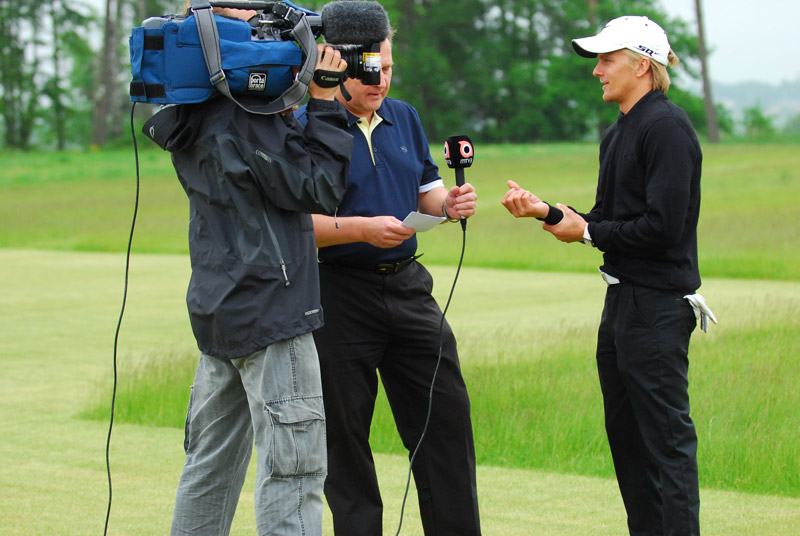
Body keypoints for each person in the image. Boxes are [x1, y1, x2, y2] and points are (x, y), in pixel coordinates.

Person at [142, 5, 354, 535]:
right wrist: (324, 103)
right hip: (273, 312)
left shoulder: (191, 112)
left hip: (220, 312)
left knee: (208, 470)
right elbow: (319, 188)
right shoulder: (243, 116)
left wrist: (290, 108)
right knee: (294, 471)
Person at [501, 16, 706, 536]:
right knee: (629, 444)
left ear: (642, 65)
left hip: (657, 307)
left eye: (607, 60)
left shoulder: (666, 127)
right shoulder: (620, 130)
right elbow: (607, 216)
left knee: (665, 445)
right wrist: (548, 213)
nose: (597, 70)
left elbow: (662, 227)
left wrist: (588, 235)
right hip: (622, 307)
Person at [296, 4, 481, 534]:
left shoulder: (404, 117)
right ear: (337, 65)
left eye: (389, 69)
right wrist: (361, 228)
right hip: (337, 293)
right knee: (345, 441)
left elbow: (426, 192)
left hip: (407, 288)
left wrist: (448, 205)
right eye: (370, 70)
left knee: (446, 422)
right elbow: (294, 223)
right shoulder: (307, 123)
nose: (380, 81)